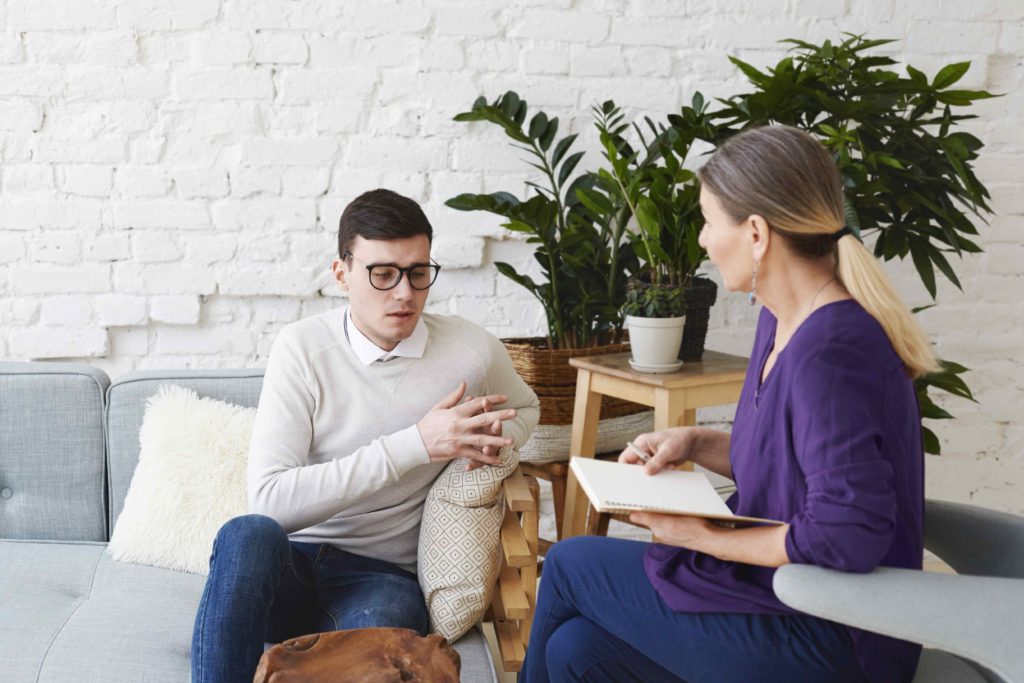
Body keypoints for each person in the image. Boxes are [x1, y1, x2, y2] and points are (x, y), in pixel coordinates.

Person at [521, 125, 937, 683]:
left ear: (757, 233)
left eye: (709, 222)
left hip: (836, 634)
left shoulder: (830, 351)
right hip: (783, 597)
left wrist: (702, 537)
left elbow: (847, 532)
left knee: (572, 564)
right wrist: (693, 442)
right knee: (576, 650)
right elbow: (797, 464)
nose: (701, 241)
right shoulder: (781, 319)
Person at [191, 188, 540, 683]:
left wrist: (490, 439)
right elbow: (270, 502)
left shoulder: (470, 350)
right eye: (383, 274)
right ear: (342, 274)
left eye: (419, 273)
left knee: (387, 648)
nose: (404, 293)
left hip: (380, 577)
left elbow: (528, 406)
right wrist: (415, 444)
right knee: (247, 533)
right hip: (290, 564)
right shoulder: (302, 349)